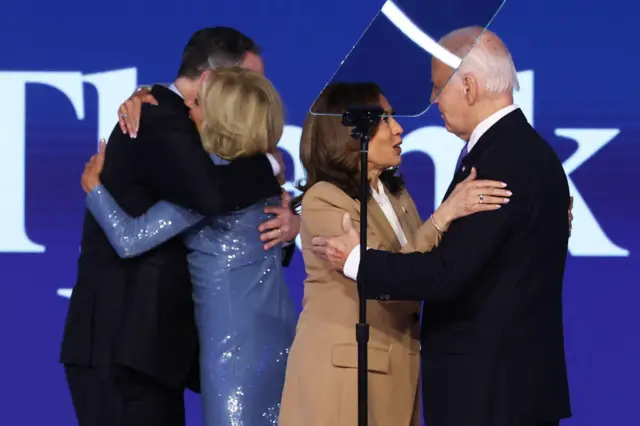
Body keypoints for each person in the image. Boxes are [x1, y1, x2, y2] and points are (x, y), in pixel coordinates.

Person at [312, 27, 573, 426]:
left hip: (490, 391)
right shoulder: (521, 152)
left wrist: (357, 263)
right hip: (507, 384)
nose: (433, 100)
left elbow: (447, 274)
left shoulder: (500, 161)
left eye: (438, 88)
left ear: (468, 87)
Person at [60, 27, 297, 426]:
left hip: (173, 349)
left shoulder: (221, 159)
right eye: (246, 81)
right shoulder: (159, 119)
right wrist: (271, 166)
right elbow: (209, 195)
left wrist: (94, 189)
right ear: (210, 81)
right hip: (127, 347)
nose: (257, 92)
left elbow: (215, 201)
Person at [277, 82, 513, 426]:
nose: (399, 128)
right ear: (349, 132)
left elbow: (427, 263)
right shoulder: (324, 199)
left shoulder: (394, 194)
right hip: (346, 374)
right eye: (384, 119)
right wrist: (444, 215)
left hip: (398, 366)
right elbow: (387, 274)